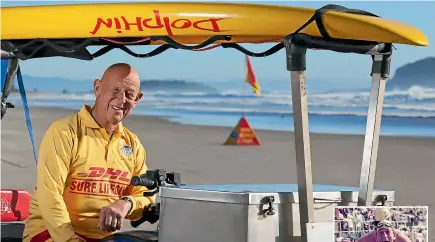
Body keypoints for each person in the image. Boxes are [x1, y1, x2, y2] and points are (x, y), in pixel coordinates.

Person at [22, 63, 153, 242]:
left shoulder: (132, 144)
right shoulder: (64, 132)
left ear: (137, 99)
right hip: (50, 233)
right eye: (115, 90)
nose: (121, 99)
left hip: (102, 237)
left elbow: (146, 196)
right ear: (97, 88)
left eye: (129, 94)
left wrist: (126, 204)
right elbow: (50, 196)